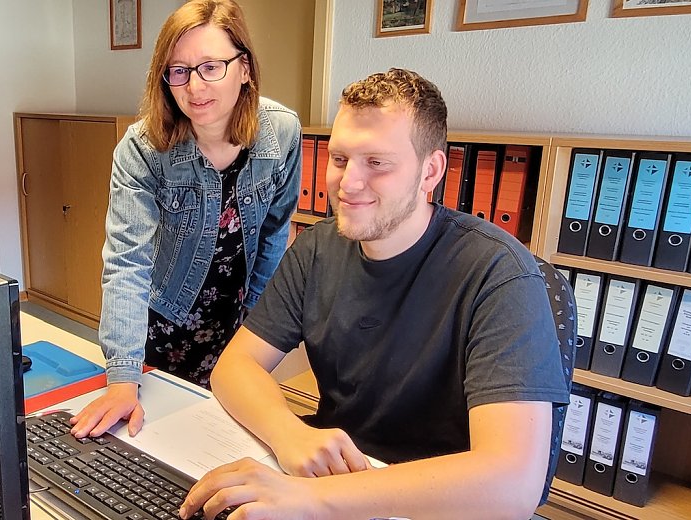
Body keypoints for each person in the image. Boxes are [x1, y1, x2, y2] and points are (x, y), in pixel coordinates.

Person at [179, 67, 569, 520]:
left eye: (377, 163)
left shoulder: (499, 274)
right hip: (337, 483)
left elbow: (514, 483)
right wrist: (290, 434)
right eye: (340, 159)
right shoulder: (318, 248)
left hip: (434, 505)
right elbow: (235, 366)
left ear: (430, 171)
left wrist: (314, 499)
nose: (348, 183)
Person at [70, 0, 301, 440]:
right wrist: (123, 377)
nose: (194, 87)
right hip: (162, 324)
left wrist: (255, 322)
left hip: (237, 325)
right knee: (159, 443)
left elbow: (275, 233)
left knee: (226, 443)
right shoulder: (142, 149)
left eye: (211, 67)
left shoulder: (282, 132)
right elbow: (127, 262)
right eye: (178, 71)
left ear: (244, 68)